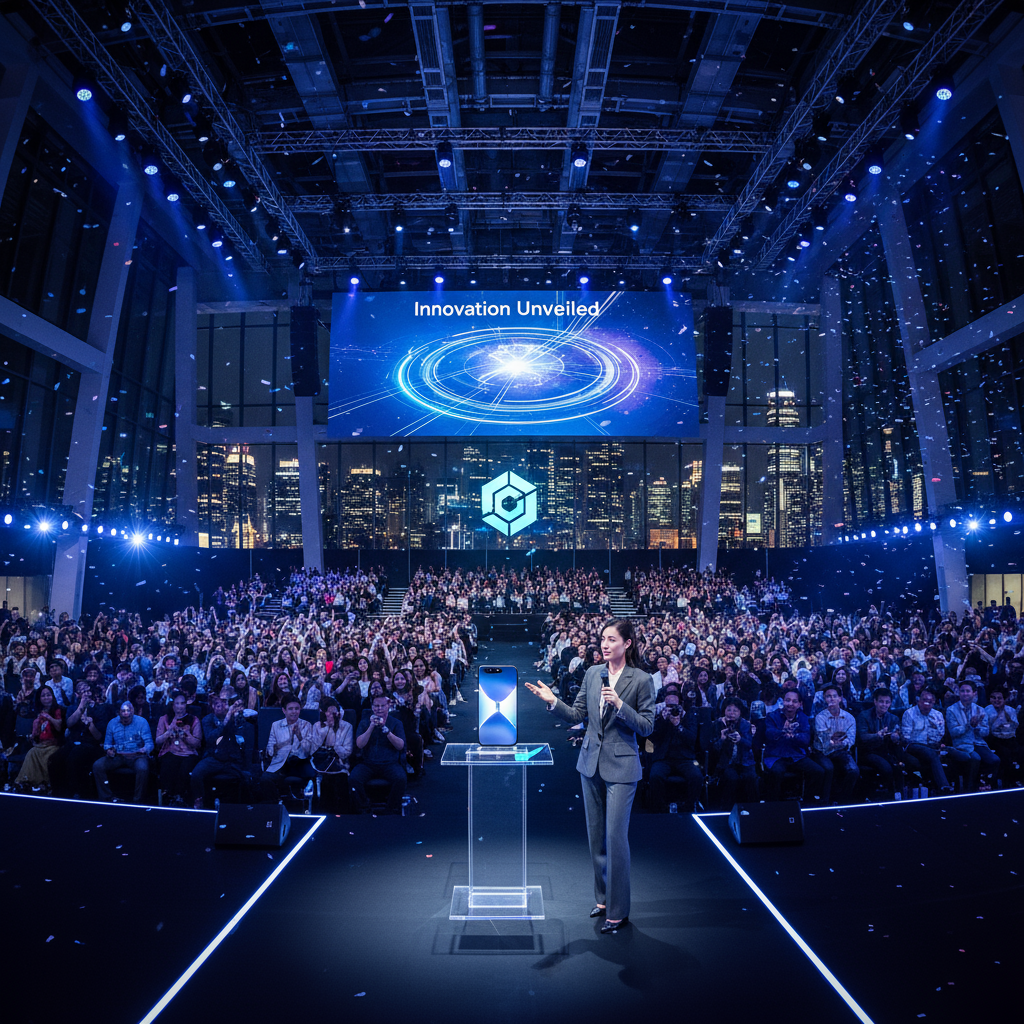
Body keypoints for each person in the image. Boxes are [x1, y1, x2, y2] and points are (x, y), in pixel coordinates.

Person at [526, 617, 655, 934]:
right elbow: (577, 715)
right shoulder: (592, 674)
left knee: (615, 837)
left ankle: (619, 909)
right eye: (603, 639)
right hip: (590, 764)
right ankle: (603, 900)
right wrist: (553, 701)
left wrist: (621, 704)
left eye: (612, 639)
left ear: (627, 643)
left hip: (622, 766)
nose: (605, 644)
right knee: (596, 838)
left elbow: (647, 727)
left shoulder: (641, 680)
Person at [190, 690, 257, 808]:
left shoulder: (237, 719)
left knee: (247, 778)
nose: (221, 707)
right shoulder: (208, 720)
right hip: (213, 758)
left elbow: (243, 739)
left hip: (234, 759)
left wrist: (236, 718)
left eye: (224, 704)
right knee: (196, 774)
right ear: (212, 707)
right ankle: (199, 801)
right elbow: (211, 739)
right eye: (218, 705)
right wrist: (226, 721)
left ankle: (245, 808)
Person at [763, 689, 824, 803]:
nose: (790, 704)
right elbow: (769, 734)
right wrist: (783, 731)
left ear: (799, 704)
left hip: (796, 756)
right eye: (788, 700)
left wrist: (793, 736)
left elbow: (806, 740)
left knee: (818, 771)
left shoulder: (803, 718)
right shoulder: (772, 716)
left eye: (794, 701)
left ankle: (807, 803)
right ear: (783, 701)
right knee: (776, 773)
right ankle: (772, 805)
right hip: (776, 755)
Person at [351, 694, 407, 813]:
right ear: (372, 707)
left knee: (401, 778)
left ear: (388, 706)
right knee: (354, 778)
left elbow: (400, 746)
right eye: (376, 706)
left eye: (382, 706)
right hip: (368, 763)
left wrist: (387, 732)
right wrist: (371, 727)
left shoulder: (396, 723)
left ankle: (391, 809)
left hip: (390, 763)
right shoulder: (364, 723)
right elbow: (359, 744)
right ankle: (364, 807)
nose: (379, 708)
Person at [649, 691, 703, 812]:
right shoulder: (660, 718)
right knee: (655, 776)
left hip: (685, 758)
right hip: (664, 758)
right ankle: (660, 808)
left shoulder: (689, 716)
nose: (672, 709)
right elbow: (652, 737)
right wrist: (663, 720)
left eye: (674, 706)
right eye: (669, 706)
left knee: (697, 776)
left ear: (680, 704)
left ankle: (689, 806)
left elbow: (692, 739)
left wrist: (678, 725)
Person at [93, 700, 154, 803]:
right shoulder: (112, 723)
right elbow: (107, 744)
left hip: (136, 755)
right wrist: (109, 750)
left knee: (143, 768)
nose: (126, 719)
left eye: (128, 717)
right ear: (119, 714)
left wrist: (144, 749)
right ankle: (107, 797)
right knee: (97, 765)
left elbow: (150, 744)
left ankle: (138, 800)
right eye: (123, 717)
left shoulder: (142, 722)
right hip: (118, 755)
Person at [945, 679, 999, 791]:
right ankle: (968, 789)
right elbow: (953, 732)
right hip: (962, 743)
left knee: (995, 760)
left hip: (978, 742)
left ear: (974, 693)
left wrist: (977, 728)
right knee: (975, 758)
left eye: (967, 691)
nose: (965, 693)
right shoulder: (951, 710)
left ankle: (984, 784)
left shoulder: (980, 710)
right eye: (962, 691)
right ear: (959, 692)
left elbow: (986, 732)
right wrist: (968, 725)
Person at [812, 684, 860, 804]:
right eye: (828, 696)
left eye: (834, 696)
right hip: (822, 752)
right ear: (825, 699)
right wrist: (834, 741)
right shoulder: (820, 717)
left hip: (841, 751)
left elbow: (850, 740)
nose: (831, 699)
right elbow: (824, 742)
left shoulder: (849, 718)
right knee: (829, 768)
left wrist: (839, 742)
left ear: (840, 698)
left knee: (853, 770)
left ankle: (841, 800)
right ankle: (825, 801)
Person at [263, 695, 316, 799]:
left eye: (297, 709)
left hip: (300, 763)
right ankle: (275, 807)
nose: (294, 712)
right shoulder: (276, 725)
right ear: (284, 710)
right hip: (281, 763)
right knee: (265, 779)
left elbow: (308, 751)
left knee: (312, 776)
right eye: (290, 709)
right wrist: (285, 743)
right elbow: (269, 751)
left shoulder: (307, 725)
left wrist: (300, 736)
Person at [13, 685, 64, 794]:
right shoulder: (38, 712)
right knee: (32, 753)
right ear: (40, 698)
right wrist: (33, 735)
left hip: (53, 745)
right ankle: (25, 782)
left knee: (47, 757)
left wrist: (49, 717)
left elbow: (59, 727)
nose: (46, 698)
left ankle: (47, 784)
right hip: (40, 745)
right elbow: (37, 733)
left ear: (52, 696)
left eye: (48, 695)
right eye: (43, 696)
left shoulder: (57, 709)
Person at [856, 687, 905, 798]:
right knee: (886, 768)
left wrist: (896, 738)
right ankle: (886, 795)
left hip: (886, 751)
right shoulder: (863, 716)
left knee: (898, 766)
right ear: (875, 702)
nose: (884, 705)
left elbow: (898, 739)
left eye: (887, 702)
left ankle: (899, 795)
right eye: (881, 702)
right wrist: (877, 735)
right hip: (868, 751)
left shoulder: (893, 718)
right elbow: (862, 737)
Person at [901, 689, 953, 795]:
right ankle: (944, 786)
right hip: (913, 746)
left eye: (930, 701)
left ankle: (933, 789)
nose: (926, 703)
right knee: (932, 754)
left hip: (931, 746)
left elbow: (940, 735)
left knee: (936, 753)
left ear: (934, 702)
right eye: (924, 700)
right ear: (918, 700)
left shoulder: (937, 715)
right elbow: (906, 738)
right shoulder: (909, 713)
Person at [154, 692, 202, 805]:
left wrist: (186, 735)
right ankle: (167, 796)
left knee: (185, 768)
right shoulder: (164, 719)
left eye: (182, 703)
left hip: (188, 753)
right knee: (168, 764)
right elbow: (158, 741)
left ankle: (180, 797)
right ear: (173, 705)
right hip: (170, 751)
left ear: (186, 705)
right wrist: (168, 733)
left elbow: (197, 743)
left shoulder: (194, 720)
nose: (180, 706)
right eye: (177, 703)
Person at [710, 698, 757, 807]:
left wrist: (740, 740)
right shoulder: (716, 724)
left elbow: (750, 745)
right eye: (729, 710)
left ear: (740, 713)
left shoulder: (746, 724)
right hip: (725, 763)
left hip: (745, 761)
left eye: (735, 711)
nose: (732, 713)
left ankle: (753, 809)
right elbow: (713, 750)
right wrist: (721, 739)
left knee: (751, 777)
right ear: (724, 711)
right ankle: (726, 809)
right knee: (732, 778)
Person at [311, 701, 353, 812]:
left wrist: (335, 734)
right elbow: (313, 749)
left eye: (335, 711)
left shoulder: (347, 727)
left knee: (340, 778)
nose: (332, 715)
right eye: (329, 712)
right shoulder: (317, 726)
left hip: (339, 762)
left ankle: (342, 814)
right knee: (321, 779)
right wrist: (326, 730)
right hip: (320, 762)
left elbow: (346, 752)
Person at [984, 687, 1020, 784]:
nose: (996, 700)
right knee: (1005, 754)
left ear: (1004, 699)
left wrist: (1004, 726)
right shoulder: (986, 710)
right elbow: (986, 727)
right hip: (994, 739)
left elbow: (1014, 725)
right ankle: (1002, 781)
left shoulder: (1011, 710)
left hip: (1010, 738)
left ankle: (1014, 780)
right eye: (994, 698)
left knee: (1019, 754)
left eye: (999, 698)